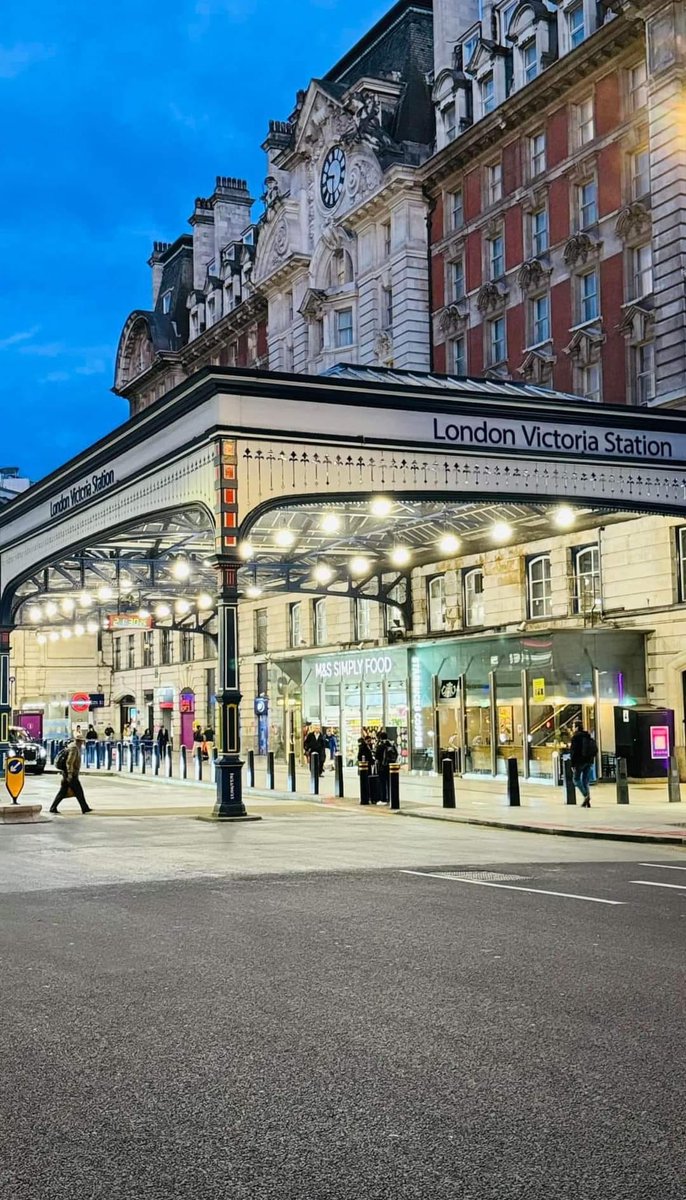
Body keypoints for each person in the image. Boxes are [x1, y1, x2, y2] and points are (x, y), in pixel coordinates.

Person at [49, 737, 92, 815]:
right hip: (70, 774)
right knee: (78, 791)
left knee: (65, 791)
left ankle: (84, 807)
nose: (83, 743)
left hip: (69, 773)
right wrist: (70, 774)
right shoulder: (74, 748)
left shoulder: (73, 746)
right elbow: (69, 762)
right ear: (80, 741)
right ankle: (84, 808)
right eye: (82, 741)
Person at [569, 720, 597, 808]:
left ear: (576, 727)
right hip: (589, 761)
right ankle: (587, 802)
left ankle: (586, 795)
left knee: (576, 780)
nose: (572, 728)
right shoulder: (587, 736)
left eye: (573, 726)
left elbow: (573, 752)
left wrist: (572, 764)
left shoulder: (575, 737)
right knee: (585, 781)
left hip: (579, 762)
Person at [374, 730, 398, 804]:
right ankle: (391, 798)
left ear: (380, 738)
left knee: (382, 783)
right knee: (390, 782)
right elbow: (396, 754)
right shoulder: (391, 744)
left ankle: (383, 799)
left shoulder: (380, 746)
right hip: (391, 767)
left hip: (382, 766)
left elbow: (377, 756)